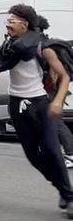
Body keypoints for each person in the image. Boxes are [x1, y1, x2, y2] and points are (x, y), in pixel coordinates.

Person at [0, 4, 73, 216]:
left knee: (51, 150)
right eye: (7, 20)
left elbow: (64, 76)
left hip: (40, 104)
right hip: (16, 105)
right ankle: (61, 187)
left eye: (11, 21)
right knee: (32, 155)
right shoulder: (8, 48)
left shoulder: (43, 48)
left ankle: (68, 195)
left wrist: (57, 102)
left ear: (25, 24)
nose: (7, 24)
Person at [38, 15, 73, 168]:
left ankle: (70, 153)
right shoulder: (46, 41)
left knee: (55, 120)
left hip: (54, 86)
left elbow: (55, 71)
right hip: (54, 86)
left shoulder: (44, 45)